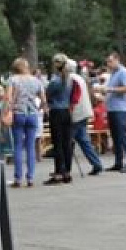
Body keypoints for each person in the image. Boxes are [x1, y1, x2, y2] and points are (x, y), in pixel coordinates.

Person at [6, 57, 43, 187]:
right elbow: (43, 99)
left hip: (18, 113)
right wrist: (37, 108)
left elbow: (9, 98)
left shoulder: (13, 80)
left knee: (17, 146)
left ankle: (18, 178)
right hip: (33, 114)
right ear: (26, 66)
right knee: (30, 146)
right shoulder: (36, 80)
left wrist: (10, 108)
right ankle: (30, 178)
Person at [66, 60, 103, 176]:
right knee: (83, 140)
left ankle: (65, 168)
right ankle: (96, 163)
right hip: (84, 111)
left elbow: (72, 98)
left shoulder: (71, 79)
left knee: (68, 141)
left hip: (76, 113)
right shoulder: (79, 78)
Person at [45, 54, 77, 185]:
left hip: (56, 111)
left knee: (57, 143)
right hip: (66, 111)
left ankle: (59, 172)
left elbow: (47, 94)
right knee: (66, 142)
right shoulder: (70, 80)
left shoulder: (55, 81)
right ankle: (67, 171)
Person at [104, 51, 126, 173]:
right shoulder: (113, 73)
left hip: (120, 109)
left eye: (110, 61)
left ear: (117, 60)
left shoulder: (123, 72)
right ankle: (118, 162)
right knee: (115, 136)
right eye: (107, 61)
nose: (108, 64)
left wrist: (109, 89)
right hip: (112, 108)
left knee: (123, 136)